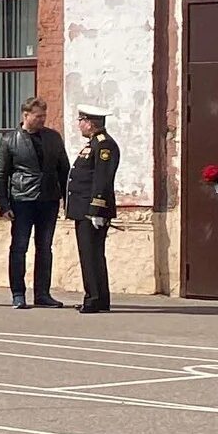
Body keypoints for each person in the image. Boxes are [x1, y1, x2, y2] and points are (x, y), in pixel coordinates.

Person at [0, 97, 69, 310]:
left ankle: (43, 293)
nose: (42, 120)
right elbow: (0, 174)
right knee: (19, 247)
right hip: (22, 200)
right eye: (38, 116)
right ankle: (18, 294)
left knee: (45, 247)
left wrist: (66, 200)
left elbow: (64, 169)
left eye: (44, 116)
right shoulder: (10, 140)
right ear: (26, 116)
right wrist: (3, 205)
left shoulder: (53, 137)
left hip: (49, 199)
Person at [65, 105, 120, 314]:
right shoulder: (93, 144)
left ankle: (94, 299)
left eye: (81, 120)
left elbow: (102, 180)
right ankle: (98, 298)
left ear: (90, 122)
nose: (79, 125)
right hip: (85, 209)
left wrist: (97, 209)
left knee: (91, 255)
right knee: (91, 255)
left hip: (92, 210)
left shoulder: (104, 145)